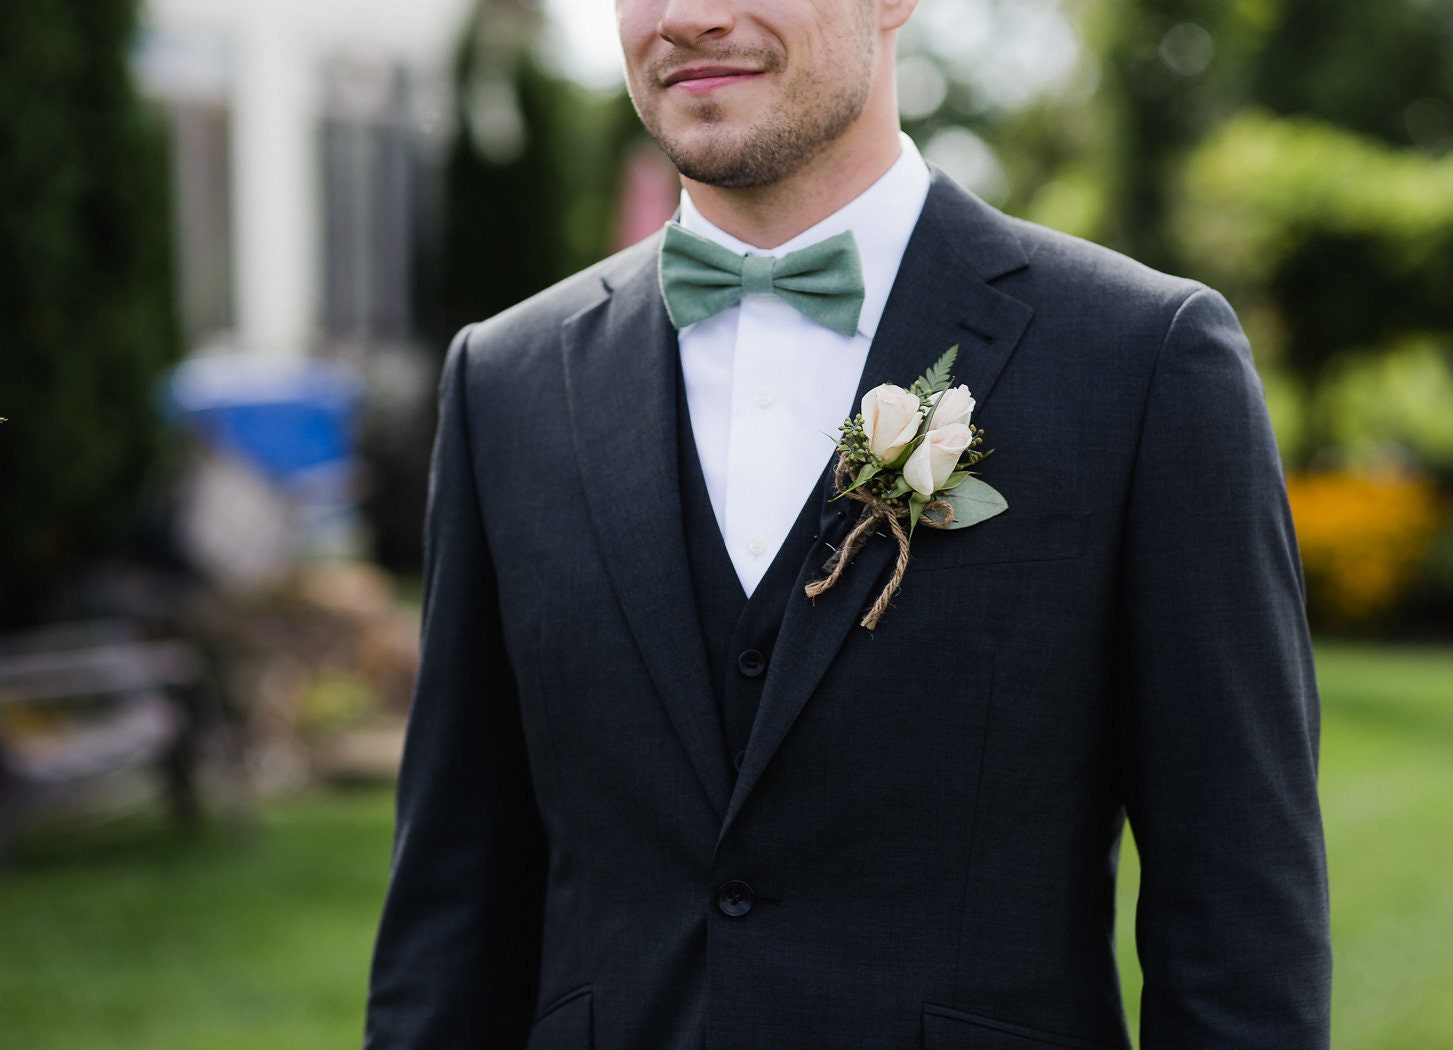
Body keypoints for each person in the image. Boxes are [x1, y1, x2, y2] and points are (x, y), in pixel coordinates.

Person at [365, 0, 1332, 1046]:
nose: (689, 17)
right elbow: (449, 916)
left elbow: (1242, 931)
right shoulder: (504, 382)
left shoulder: (1142, 361)